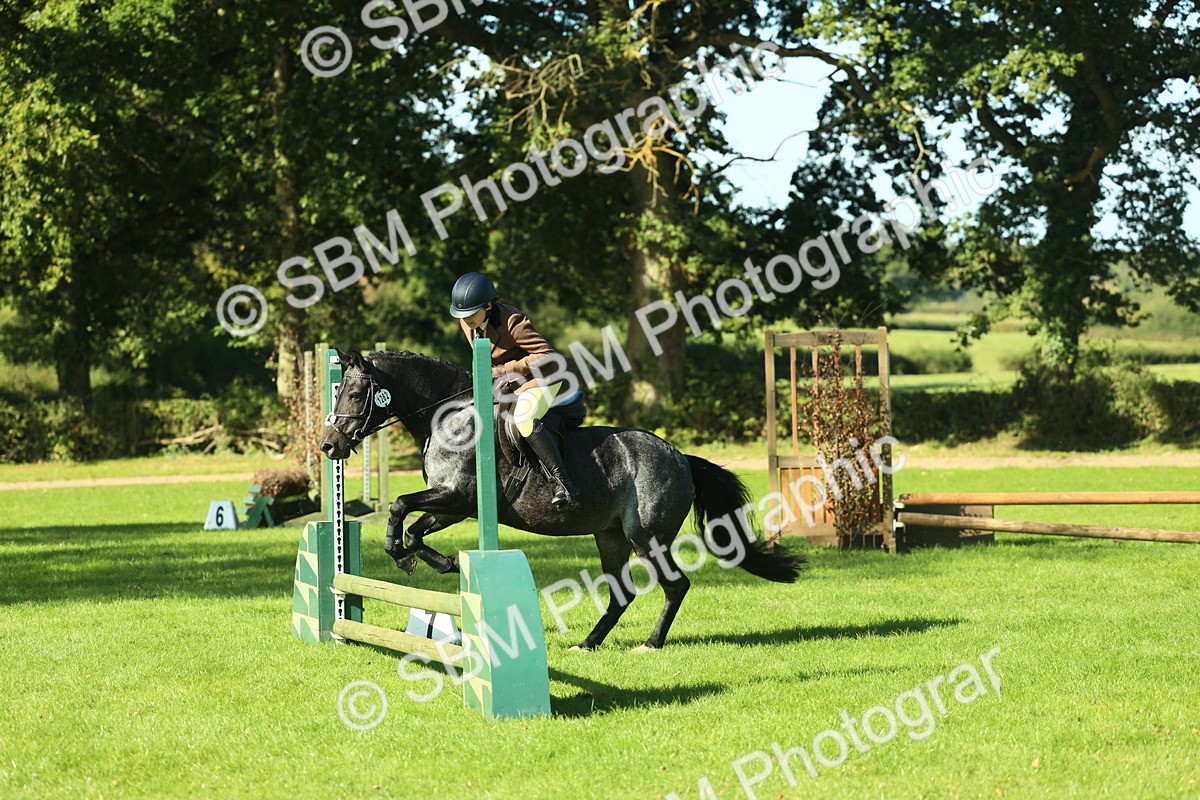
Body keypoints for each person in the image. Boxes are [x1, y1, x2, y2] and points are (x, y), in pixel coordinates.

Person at [449, 271, 579, 509]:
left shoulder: (513, 322)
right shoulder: (468, 324)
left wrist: (505, 370)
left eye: (470, 313)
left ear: (488, 306)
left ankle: (563, 483)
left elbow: (545, 354)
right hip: (511, 384)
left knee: (523, 418)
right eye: (462, 314)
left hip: (545, 377)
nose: (465, 319)